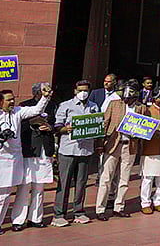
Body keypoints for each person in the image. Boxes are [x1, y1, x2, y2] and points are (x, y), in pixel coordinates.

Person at [0, 80, 51, 237]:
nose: (12, 102)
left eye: (13, 99)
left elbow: (36, 110)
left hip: (10, 160)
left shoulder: (18, 112)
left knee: (4, 196)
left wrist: (45, 97)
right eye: (8, 99)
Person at [53, 79, 99, 226]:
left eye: (85, 90)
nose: (83, 93)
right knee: (64, 182)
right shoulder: (66, 106)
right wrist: (65, 129)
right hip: (68, 149)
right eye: (80, 91)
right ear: (75, 91)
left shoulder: (94, 106)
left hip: (85, 149)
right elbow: (57, 126)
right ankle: (59, 214)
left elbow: (97, 125)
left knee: (81, 182)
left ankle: (79, 211)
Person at [10, 83, 55, 231]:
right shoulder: (24, 106)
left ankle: (35, 218)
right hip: (29, 150)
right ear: (36, 93)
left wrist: (49, 128)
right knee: (24, 187)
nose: (46, 93)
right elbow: (18, 127)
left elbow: (55, 124)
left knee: (39, 188)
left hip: (44, 150)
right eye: (43, 91)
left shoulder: (52, 106)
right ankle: (18, 220)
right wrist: (31, 123)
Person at [95, 79, 141, 220]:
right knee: (106, 177)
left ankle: (119, 206)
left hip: (129, 145)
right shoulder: (114, 104)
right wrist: (100, 143)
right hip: (113, 144)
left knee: (124, 179)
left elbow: (145, 127)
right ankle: (100, 208)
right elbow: (105, 123)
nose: (127, 96)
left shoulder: (141, 107)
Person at [138, 90, 160, 214]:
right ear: (154, 98)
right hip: (152, 148)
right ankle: (145, 202)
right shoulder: (148, 111)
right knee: (148, 177)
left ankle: (158, 200)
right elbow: (142, 128)